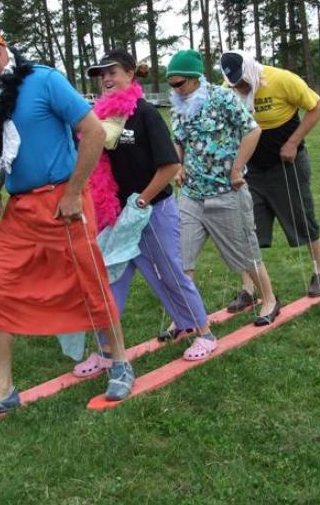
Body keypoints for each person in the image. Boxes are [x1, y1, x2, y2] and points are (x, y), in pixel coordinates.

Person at [0, 23, 134, 424]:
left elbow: (94, 133)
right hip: (21, 208)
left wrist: (71, 193)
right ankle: (2, 390)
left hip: (64, 201)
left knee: (92, 282)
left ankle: (120, 363)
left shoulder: (45, 80)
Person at [73, 49, 217, 377]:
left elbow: (171, 166)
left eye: (113, 72)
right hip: (114, 216)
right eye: (101, 74)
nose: (106, 79)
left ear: (130, 74)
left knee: (169, 272)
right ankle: (107, 351)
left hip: (152, 209)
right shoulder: (97, 117)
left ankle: (204, 333)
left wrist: (141, 201)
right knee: (109, 281)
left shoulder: (145, 114)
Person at [166, 49, 280, 326]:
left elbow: (252, 130)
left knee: (246, 250)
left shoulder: (223, 97)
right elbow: (179, 140)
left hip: (226, 191)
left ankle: (269, 300)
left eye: (180, 83)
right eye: (171, 85)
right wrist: (179, 166)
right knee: (184, 256)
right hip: (192, 195)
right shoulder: (178, 106)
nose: (176, 89)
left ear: (195, 78)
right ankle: (184, 316)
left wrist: (237, 167)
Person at [220, 49, 320, 308]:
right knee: (246, 227)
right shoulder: (228, 88)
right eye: (236, 85)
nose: (242, 88)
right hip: (252, 169)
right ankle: (248, 289)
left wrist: (293, 142)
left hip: (286, 163)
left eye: (244, 82)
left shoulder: (281, 79)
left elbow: (317, 106)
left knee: (303, 217)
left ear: (250, 69)